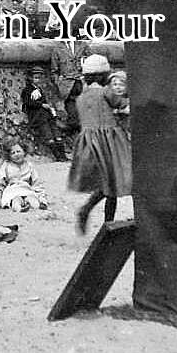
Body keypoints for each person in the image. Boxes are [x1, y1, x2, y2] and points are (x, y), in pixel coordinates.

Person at [68, 54, 132, 234]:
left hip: (89, 143)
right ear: (102, 75)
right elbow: (124, 106)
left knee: (107, 185)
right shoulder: (106, 92)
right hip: (109, 142)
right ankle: (105, 222)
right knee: (116, 183)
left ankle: (91, 212)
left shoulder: (81, 97)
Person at [21, 64, 66, 162]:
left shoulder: (40, 90)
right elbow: (27, 103)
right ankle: (58, 156)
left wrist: (50, 110)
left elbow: (45, 102)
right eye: (35, 78)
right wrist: (41, 105)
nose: (38, 80)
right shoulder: (27, 90)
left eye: (39, 78)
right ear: (31, 78)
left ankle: (63, 155)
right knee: (48, 135)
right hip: (38, 117)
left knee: (57, 134)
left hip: (47, 116)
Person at [0, 143, 49, 212]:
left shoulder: (29, 165)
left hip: (26, 189)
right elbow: (0, 184)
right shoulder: (6, 166)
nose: (16, 154)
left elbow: (36, 183)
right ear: (9, 156)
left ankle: (33, 207)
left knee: (33, 201)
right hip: (12, 191)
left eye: (18, 151)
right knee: (16, 201)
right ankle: (20, 209)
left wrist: (42, 199)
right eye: (13, 153)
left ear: (24, 152)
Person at [108, 70, 131, 134]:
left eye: (121, 85)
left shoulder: (128, 101)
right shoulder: (110, 101)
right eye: (115, 85)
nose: (118, 87)